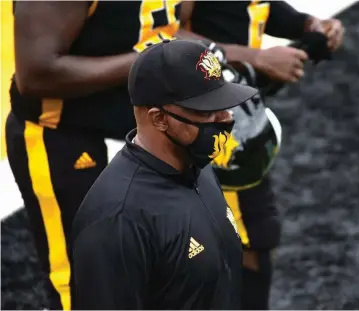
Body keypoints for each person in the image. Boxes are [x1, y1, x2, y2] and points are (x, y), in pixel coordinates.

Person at [5, 1, 185, 309]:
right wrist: (151, 60)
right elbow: (36, 74)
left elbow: (179, 26)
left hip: (144, 128)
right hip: (63, 133)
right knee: (88, 288)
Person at [178, 1, 346, 309]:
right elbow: (159, 32)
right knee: (240, 239)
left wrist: (307, 25)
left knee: (249, 236)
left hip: (233, 112)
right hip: (206, 122)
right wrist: (255, 58)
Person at [70, 39, 258, 310]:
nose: (225, 118)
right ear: (159, 119)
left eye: (224, 105)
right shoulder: (118, 221)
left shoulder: (198, 168)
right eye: (208, 111)